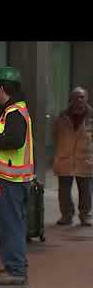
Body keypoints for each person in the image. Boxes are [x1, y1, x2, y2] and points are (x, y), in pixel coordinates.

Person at [0, 67, 34, 285]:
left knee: (9, 225)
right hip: (16, 179)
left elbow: (15, 140)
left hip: (10, 180)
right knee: (15, 224)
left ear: (2, 88)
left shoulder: (14, 112)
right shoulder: (18, 109)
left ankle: (15, 270)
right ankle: (16, 265)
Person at [53, 87, 93, 226]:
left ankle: (85, 215)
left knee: (86, 191)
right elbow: (55, 135)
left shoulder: (91, 116)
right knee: (64, 191)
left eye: (82, 97)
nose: (79, 100)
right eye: (76, 97)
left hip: (85, 159)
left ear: (86, 98)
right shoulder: (62, 116)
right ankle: (66, 215)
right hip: (65, 158)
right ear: (71, 99)